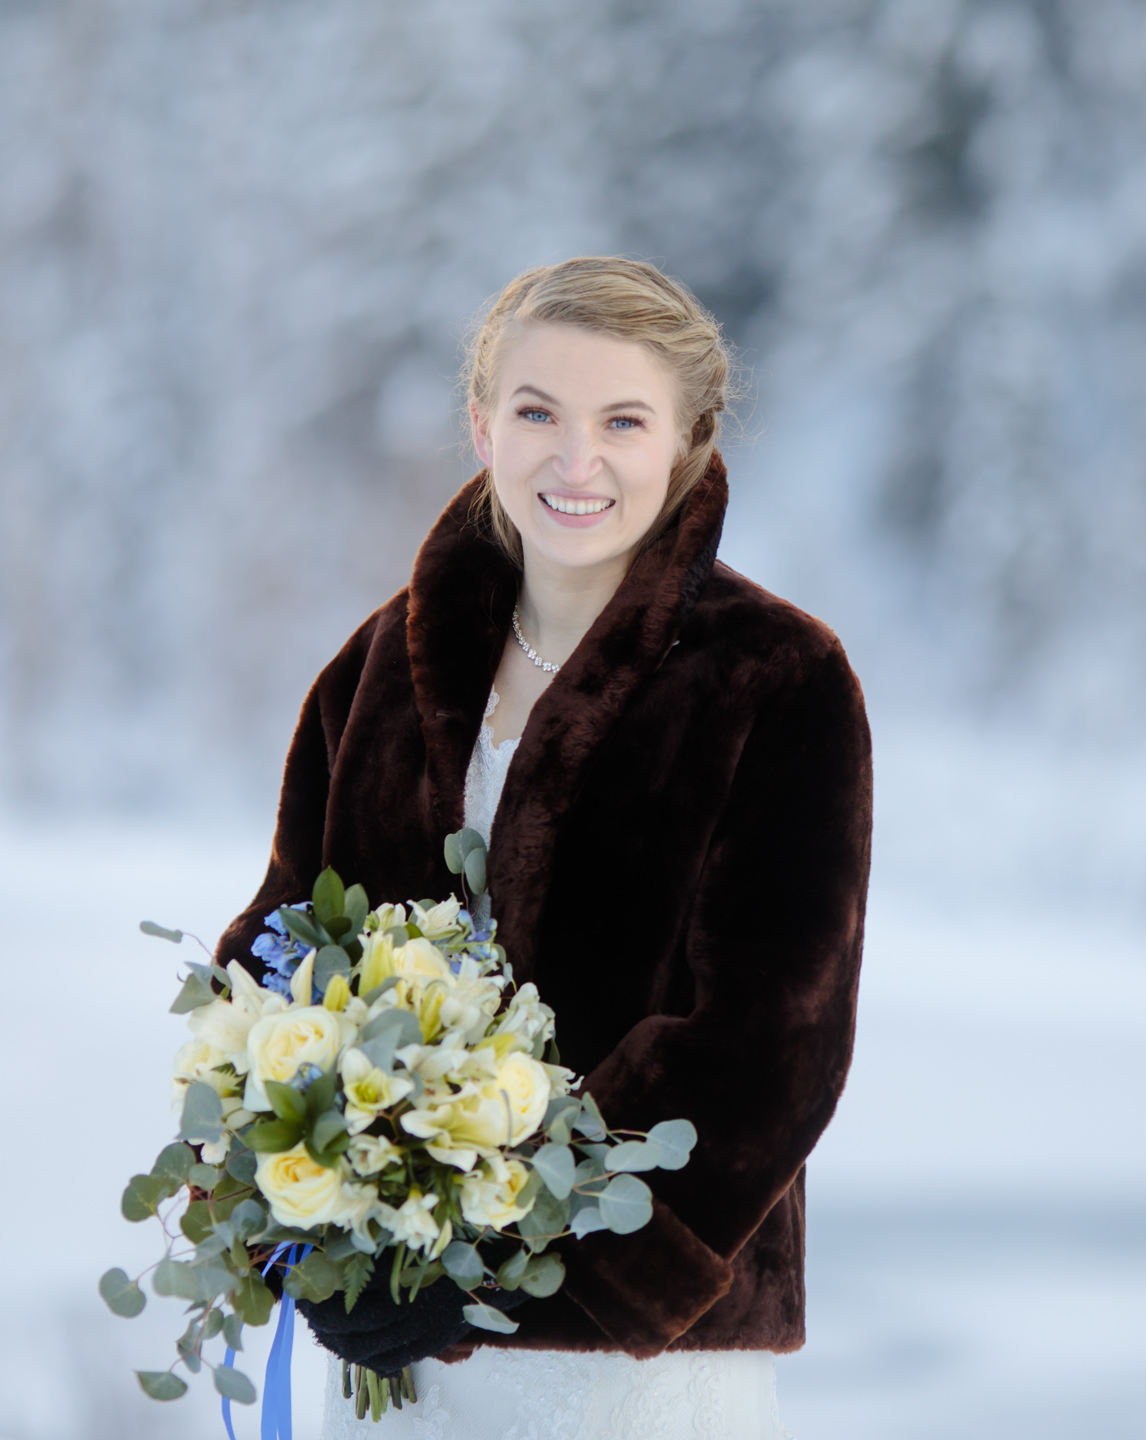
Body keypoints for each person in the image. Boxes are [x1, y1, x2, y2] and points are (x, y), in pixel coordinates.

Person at [214, 256, 873, 1438]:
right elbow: (283, 947)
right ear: (481, 424)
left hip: (627, 1370)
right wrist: (295, 1194)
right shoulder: (377, 669)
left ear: (688, 439)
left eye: (623, 420)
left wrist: (497, 1266)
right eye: (537, 414)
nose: (577, 463)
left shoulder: (777, 678)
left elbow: (772, 1047)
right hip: (391, 1352)